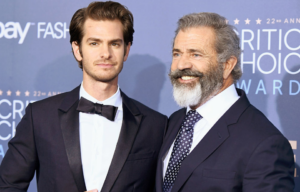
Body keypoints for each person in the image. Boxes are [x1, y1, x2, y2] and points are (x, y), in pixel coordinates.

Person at [0, 1, 167, 192]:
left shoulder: (155, 125)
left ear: (126, 50)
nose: (105, 53)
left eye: (115, 43)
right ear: (78, 50)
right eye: (94, 43)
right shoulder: (39, 117)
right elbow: (7, 187)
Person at [155, 12, 294, 192]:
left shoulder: (265, 143)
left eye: (196, 55)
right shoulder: (174, 122)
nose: (182, 65)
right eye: (177, 54)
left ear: (227, 65)